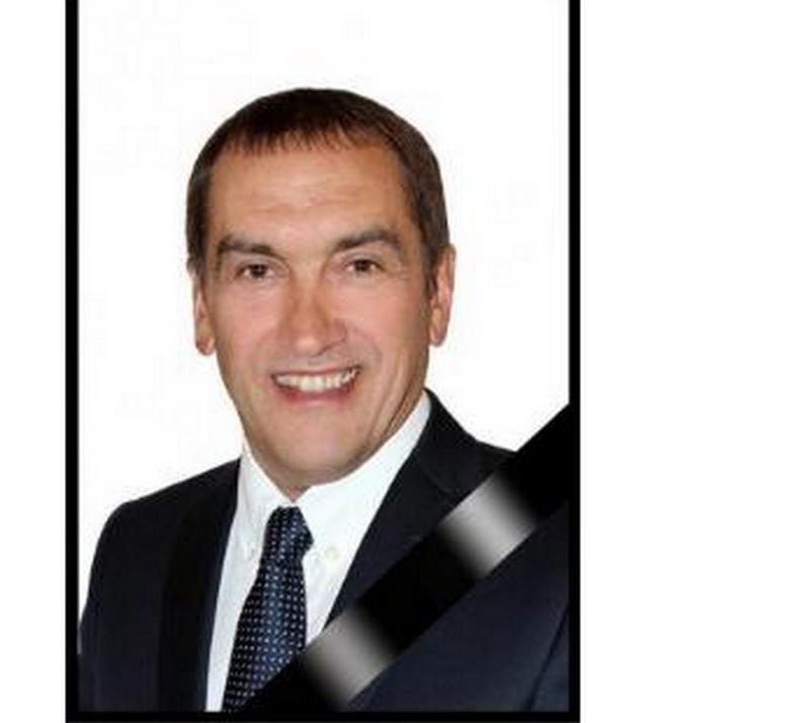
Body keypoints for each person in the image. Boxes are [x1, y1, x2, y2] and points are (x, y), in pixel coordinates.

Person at [78, 88, 569, 712]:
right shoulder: (136, 551)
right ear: (202, 305)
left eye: (359, 266)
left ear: (438, 293)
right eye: (258, 271)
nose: (308, 333)